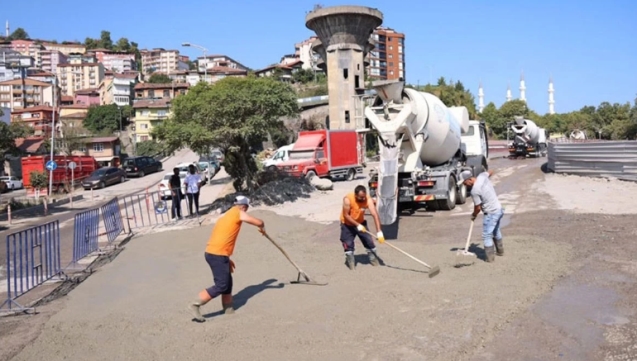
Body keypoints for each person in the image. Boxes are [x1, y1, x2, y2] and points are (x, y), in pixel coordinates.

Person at [188, 196, 265, 322]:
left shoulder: (227, 214)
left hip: (216, 253)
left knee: (228, 281)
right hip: (216, 254)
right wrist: (262, 227)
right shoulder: (238, 213)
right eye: (246, 208)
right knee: (222, 285)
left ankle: (228, 308)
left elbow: (222, 237)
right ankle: (195, 304)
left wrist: (226, 258)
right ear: (244, 207)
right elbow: (258, 222)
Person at [458, 169, 505, 262]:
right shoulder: (482, 176)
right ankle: (500, 251)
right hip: (499, 209)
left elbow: (477, 208)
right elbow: (491, 171)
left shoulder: (475, 191)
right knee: (495, 231)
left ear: (469, 179)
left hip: (491, 213)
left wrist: (473, 215)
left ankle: (490, 258)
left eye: (464, 182)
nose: (464, 185)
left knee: (487, 235)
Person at [340, 185, 385, 270]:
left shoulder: (367, 199)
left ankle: (374, 260)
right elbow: (346, 215)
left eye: (364, 197)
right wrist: (357, 225)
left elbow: (375, 215)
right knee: (348, 244)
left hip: (361, 222)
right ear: (356, 195)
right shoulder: (348, 199)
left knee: (369, 242)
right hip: (347, 224)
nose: (363, 199)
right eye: (361, 197)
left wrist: (379, 232)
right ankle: (351, 264)